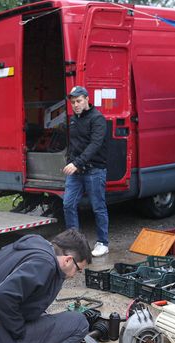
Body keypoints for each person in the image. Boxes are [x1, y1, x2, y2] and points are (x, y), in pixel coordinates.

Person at [62, 85, 110, 257]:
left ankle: (103, 243)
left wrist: (77, 163)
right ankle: (75, 244)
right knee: (68, 205)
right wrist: (69, 160)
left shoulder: (97, 119)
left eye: (79, 101)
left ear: (87, 99)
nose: (75, 105)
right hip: (76, 172)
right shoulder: (73, 119)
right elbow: (73, 144)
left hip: (94, 170)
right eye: (73, 102)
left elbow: (95, 145)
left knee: (98, 207)